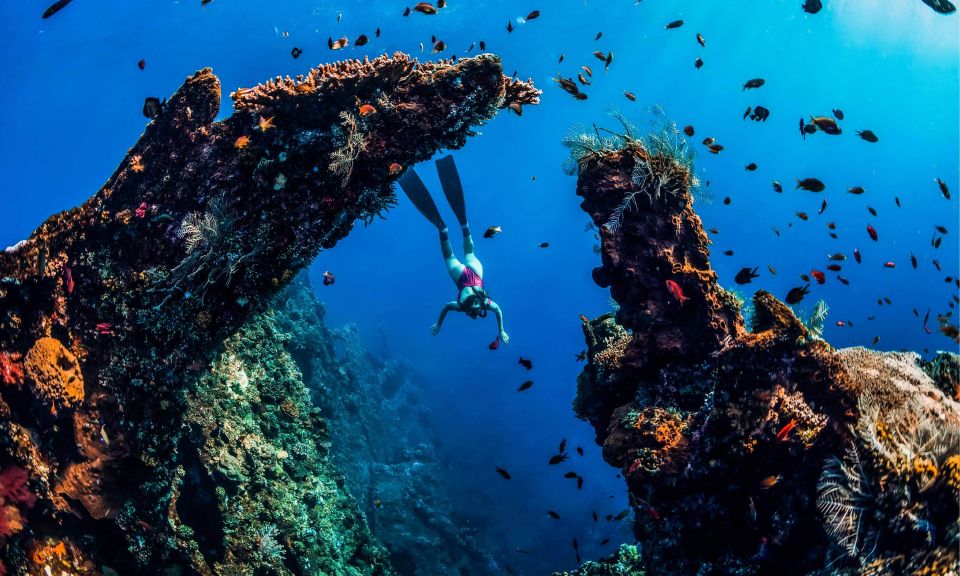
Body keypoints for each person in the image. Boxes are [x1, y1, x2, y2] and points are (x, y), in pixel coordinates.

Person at [398, 155, 509, 345]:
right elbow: (496, 310)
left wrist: (438, 324)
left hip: (468, 278)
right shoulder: (476, 305)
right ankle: (454, 228)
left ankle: (452, 228)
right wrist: (501, 330)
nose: (474, 310)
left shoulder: (469, 306)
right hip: (470, 277)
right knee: (461, 254)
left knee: (460, 254)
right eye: (475, 312)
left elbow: (447, 308)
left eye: (473, 312)